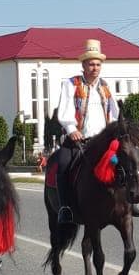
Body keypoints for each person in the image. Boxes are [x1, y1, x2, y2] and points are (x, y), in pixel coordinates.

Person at [51, 39, 119, 228]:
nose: (95, 68)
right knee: (63, 165)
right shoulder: (71, 84)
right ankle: (65, 207)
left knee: (125, 163)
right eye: (91, 64)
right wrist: (71, 129)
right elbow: (63, 110)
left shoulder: (105, 87)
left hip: (103, 141)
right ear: (83, 65)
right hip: (79, 140)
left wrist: (113, 132)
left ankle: (126, 203)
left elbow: (114, 114)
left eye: (98, 64)